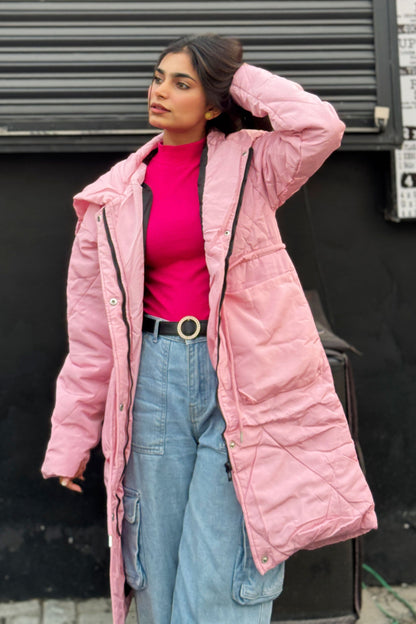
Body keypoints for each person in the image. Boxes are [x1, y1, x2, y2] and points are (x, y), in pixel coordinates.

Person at [41, 34, 377, 624]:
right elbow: (92, 336)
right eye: (158, 78)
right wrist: (72, 441)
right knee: (158, 574)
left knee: (222, 577)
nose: (160, 91)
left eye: (182, 83)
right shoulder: (112, 198)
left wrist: (232, 73)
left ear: (216, 102)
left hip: (241, 381)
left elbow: (320, 126)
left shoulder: (253, 164)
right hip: (153, 383)